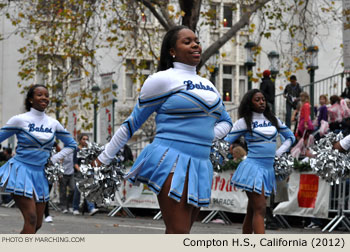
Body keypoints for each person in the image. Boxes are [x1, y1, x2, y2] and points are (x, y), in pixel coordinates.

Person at [94, 25, 232, 233]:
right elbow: (132, 123)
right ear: (172, 51)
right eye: (187, 42)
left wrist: (204, 138)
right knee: (178, 233)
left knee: (181, 233)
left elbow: (227, 122)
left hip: (200, 164)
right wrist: (104, 157)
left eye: (196, 41)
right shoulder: (162, 79)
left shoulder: (209, 85)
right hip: (172, 159)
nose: (195, 44)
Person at [0, 84, 77, 234]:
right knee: (32, 218)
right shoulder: (19, 120)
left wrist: (54, 159)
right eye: (39, 95)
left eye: (46, 95)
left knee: (38, 224)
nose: (44, 98)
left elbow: (71, 144)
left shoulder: (53, 123)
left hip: (40, 174)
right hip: (20, 170)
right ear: (30, 99)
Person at [225, 89, 295, 234]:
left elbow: (290, 137)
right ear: (249, 103)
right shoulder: (243, 122)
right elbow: (226, 142)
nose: (261, 102)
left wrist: (278, 153)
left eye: (263, 99)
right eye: (257, 100)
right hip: (253, 168)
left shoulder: (273, 119)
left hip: (268, 169)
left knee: (252, 211)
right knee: (260, 208)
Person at [72, 133, 99, 216]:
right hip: (79, 173)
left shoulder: (89, 150)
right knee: (78, 191)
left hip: (88, 173)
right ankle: (75, 208)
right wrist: (80, 170)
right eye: (83, 139)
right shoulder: (77, 150)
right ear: (80, 140)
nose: (85, 141)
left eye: (86, 139)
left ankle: (91, 208)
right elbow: (75, 163)